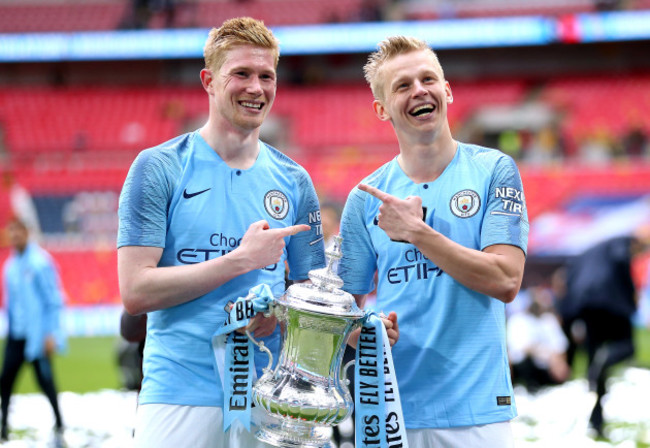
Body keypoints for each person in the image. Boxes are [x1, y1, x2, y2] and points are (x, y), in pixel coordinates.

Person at [117, 17, 400, 448]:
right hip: (179, 392)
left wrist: (357, 327)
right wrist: (240, 260)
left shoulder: (294, 180)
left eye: (266, 76)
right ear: (209, 81)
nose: (256, 88)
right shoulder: (158, 167)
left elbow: (310, 297)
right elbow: (136, 289)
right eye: (241, 74)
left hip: (275, 397)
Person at [338, 36, 528, 447]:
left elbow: (506, 280)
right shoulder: (365, 197)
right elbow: (343, 312)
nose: (419, 90)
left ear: (447, 90)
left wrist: (417, 232)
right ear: (381, 109)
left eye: (428, 79)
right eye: (402, 85)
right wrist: (359, 331)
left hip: (476, 410)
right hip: (387, 409)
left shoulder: (494, 170)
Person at [560, 231, 650, 438]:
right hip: (611, 302)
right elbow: (620, 259)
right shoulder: (621, 243)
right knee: (626, 347)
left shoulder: (586, 253)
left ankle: (596, 420)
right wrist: (631, 294)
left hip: (584, 306)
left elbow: (568, 279)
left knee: (595, 364)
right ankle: (606, 358)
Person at [1, 217, 66, 443]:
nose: (15, 237)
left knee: (45, 382)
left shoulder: (40, 262)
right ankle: (3, 428)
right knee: (5, 381)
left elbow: (54, 300)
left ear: (27, 233)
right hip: (16, 335)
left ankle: (59, 422)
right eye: (12, 232)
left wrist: (51, 334)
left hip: (37, 336)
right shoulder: (9, 266)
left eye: (19, 232)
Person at [507, 286, 570, 392]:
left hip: (545, 367)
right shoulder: (517, 320)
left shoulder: (549, 320)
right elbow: (517, 349)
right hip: (523, 366)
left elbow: (560, 346)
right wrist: (539, 351)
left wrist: (557, 361)